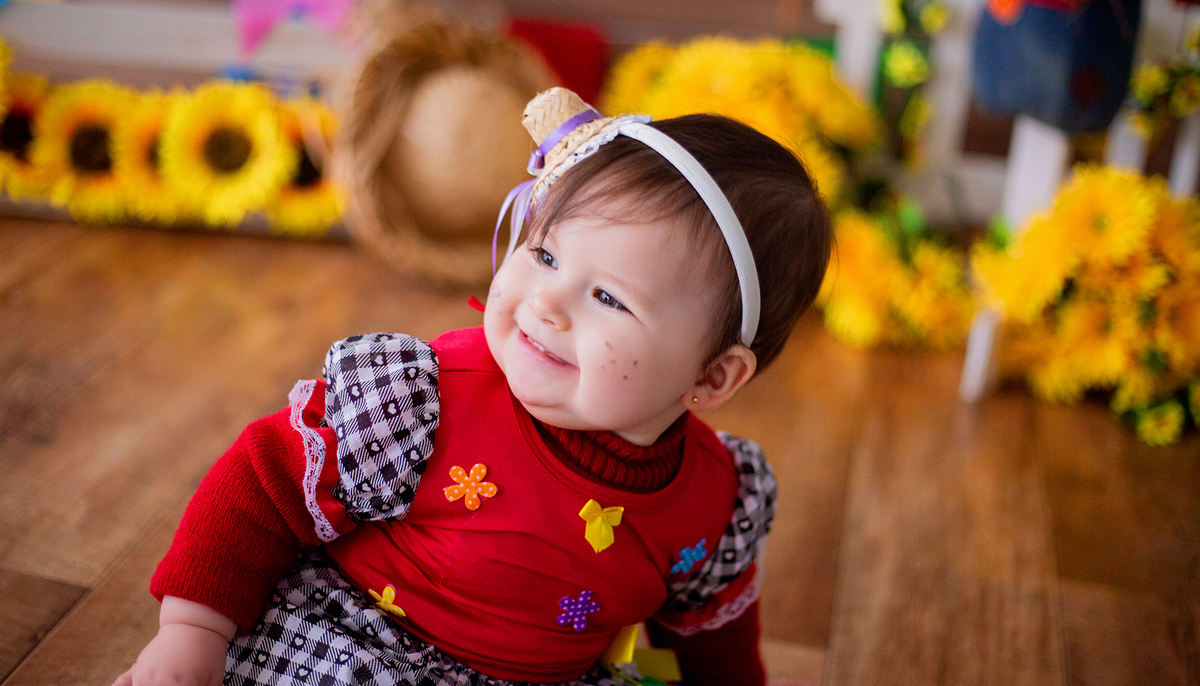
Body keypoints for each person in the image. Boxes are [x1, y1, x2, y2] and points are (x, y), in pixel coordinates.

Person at [114, 88, 833, 686]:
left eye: (609, 298)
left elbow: (718, 634)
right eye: (545, 253)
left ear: (713, 374)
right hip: (361, 643)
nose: (547, 303)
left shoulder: (714, 498)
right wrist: (191, 632)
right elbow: (262, 483)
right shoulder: (426, 400)